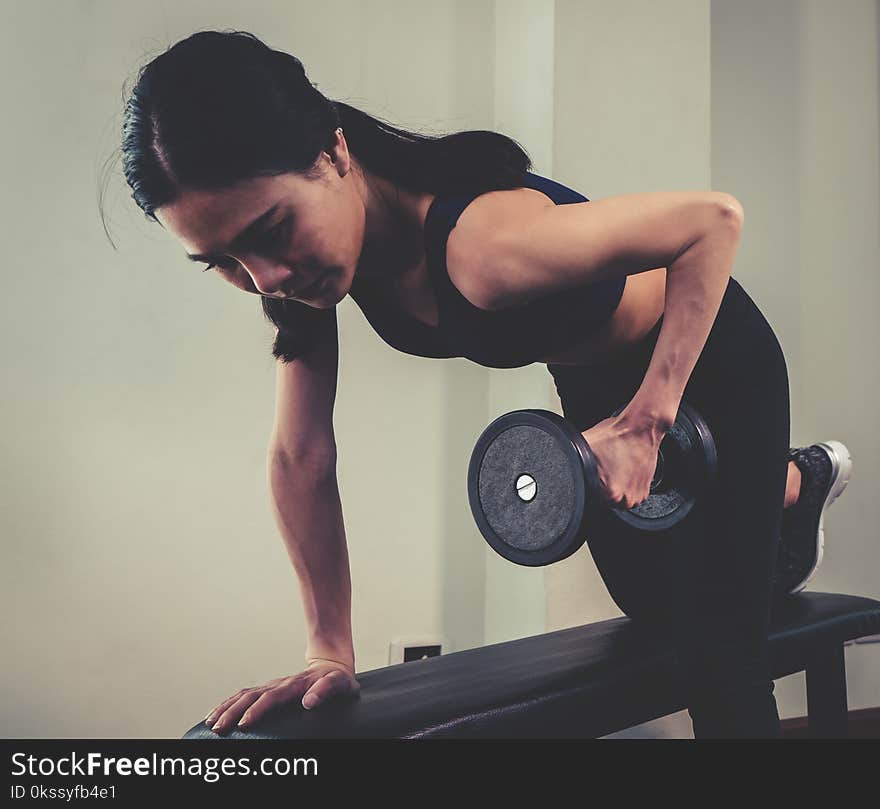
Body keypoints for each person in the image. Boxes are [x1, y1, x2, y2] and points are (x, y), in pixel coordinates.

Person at [108, 29, 852, 738]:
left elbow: (712, 223)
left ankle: (775, 476)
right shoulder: (307, 274)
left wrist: (649, 420)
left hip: (713, 357)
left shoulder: (483, 248)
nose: (265, 278)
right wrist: (328, 650)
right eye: (223, 262)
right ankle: (787, 484)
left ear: (332, 153)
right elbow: (300, 455)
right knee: (654, 610)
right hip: (595, 385)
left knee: (722, 664)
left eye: (270, 232)